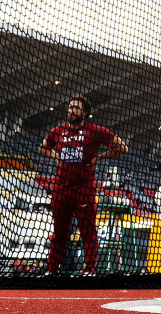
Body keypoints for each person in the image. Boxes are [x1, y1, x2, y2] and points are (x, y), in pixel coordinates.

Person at [41, 96, 127, 276]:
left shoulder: (95, 131)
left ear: (85, 113)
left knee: (88, 231)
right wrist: (55, 156)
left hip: (84, 189)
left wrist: (98, 158)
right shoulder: (58, 131)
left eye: (76, 108)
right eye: (70, 107)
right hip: (61, 188)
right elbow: (43, 148)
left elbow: (122, 148)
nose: (71, 110)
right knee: (60, 233)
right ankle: (51, 271)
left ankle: (90, 271)